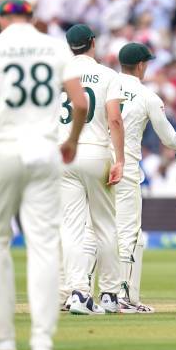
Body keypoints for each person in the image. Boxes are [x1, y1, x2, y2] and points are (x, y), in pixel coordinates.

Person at [0, 0, 87, 350]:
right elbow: (80, 104)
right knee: (43, 245)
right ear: (32, 18)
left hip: (4, 150)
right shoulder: (54, 46)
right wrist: (71, 142)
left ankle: (3, 335)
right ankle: (42, 340)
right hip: (44, 150)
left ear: (2, 18)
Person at [115, 42, 176, 313]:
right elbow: (169, 137)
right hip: (125, 169)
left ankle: (83, 292)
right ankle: (123, 297)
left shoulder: (105, 85)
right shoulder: (146, 95)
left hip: (99, 164)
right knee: (130, 235)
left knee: (98, 230)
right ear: (141, 66)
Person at [59, 24, 125, 315]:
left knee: (71, 228)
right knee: (104, 225)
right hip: (96, 151)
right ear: (92, 44)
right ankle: (109, 294)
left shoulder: (59, 73)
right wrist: (119, 159)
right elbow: (114, 119)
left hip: (65, 152)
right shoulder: (109, 75)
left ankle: (78, 293)